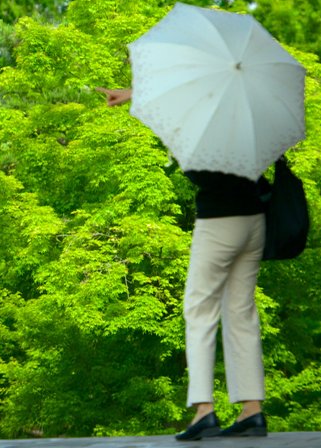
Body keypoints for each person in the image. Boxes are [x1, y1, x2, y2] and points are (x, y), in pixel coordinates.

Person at [97, 87, 270, 441]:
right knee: (241, 312)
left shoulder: (204, 127)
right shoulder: (247, 116)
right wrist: (133, 94)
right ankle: (252, 410)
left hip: (220, 223)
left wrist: (135, 98)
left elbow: (192, 164)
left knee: (199, 309)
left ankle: (204, 409)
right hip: (255, 222)